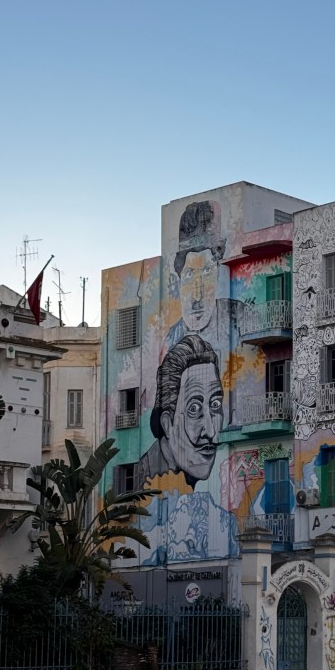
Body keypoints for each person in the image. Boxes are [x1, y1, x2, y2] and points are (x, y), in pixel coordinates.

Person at [137, 334, 224, 489]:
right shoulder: (143, 481)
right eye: (194, 409)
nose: (211, 432)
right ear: (167, 423)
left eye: (215, 404)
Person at [165, 200, 238, 350]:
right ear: (178, 281)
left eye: (206, 272)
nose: (197, 297)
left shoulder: (241, 320)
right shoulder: (169, 340)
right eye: (189, 274)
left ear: (218, 274)